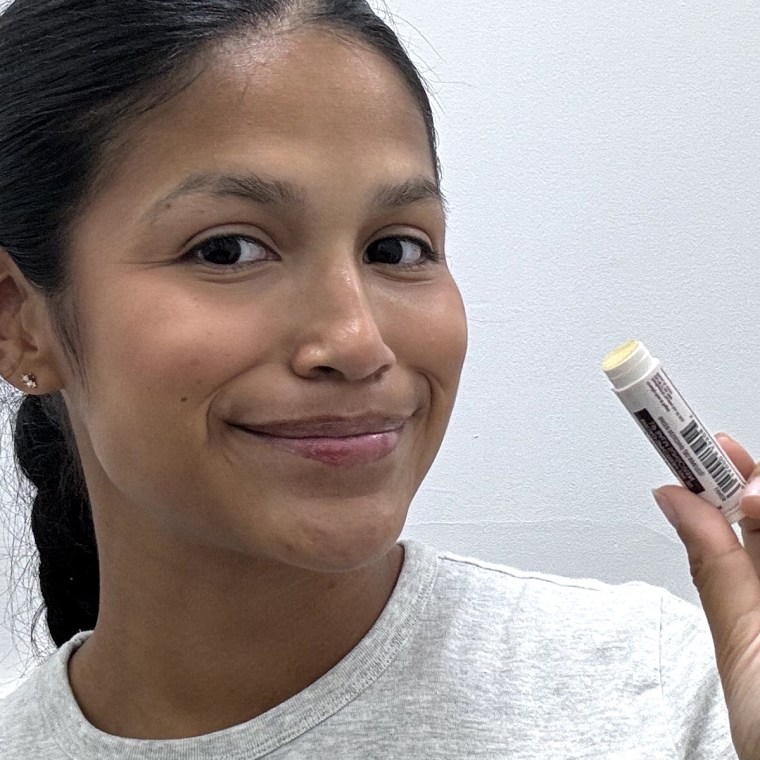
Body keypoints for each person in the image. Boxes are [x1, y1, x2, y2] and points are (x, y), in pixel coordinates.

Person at [0, 0, 758, 757]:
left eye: (395, 250)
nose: (358, 342)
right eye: (227, 249)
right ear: (19, 322)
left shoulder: (679, 696)